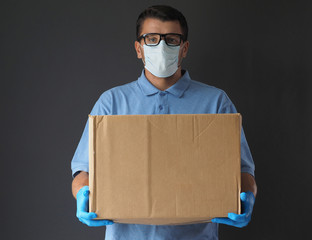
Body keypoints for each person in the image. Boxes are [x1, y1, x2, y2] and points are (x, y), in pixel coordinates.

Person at [71, 5, 257, 240]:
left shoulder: (216, 102)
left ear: (184, 48)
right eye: (151, 39)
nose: (161, 47)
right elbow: (83, 171)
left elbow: (243, 171)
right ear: (139, 48)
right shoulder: (112, 102)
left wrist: (247, 195)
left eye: (171, 39)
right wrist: (82, 194)